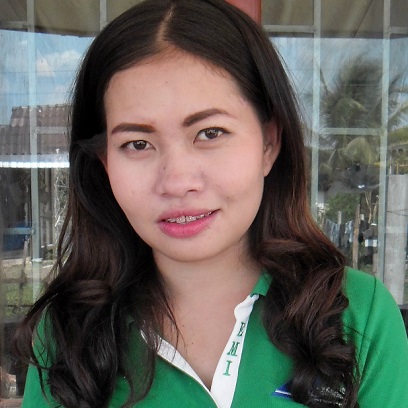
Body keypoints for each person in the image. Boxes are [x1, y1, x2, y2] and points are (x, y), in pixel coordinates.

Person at [13, 0, 408, 407]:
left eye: (210, 133)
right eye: (138, 144)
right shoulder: (67, 333)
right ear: (105, 163)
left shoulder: (358, 316)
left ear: (269, 143)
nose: (177, 181)